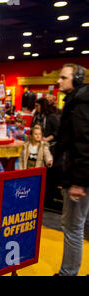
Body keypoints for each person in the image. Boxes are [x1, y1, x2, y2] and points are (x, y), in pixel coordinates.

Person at [53, 64, 89, 276]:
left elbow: (83, 144)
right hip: (81, 176)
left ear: (76, 79)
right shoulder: (79, 101)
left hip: (79, 179)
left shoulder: (79, 104)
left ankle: (68, 272)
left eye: (63, 77)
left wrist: (78, 182)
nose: (59, 81)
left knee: (73, 227)